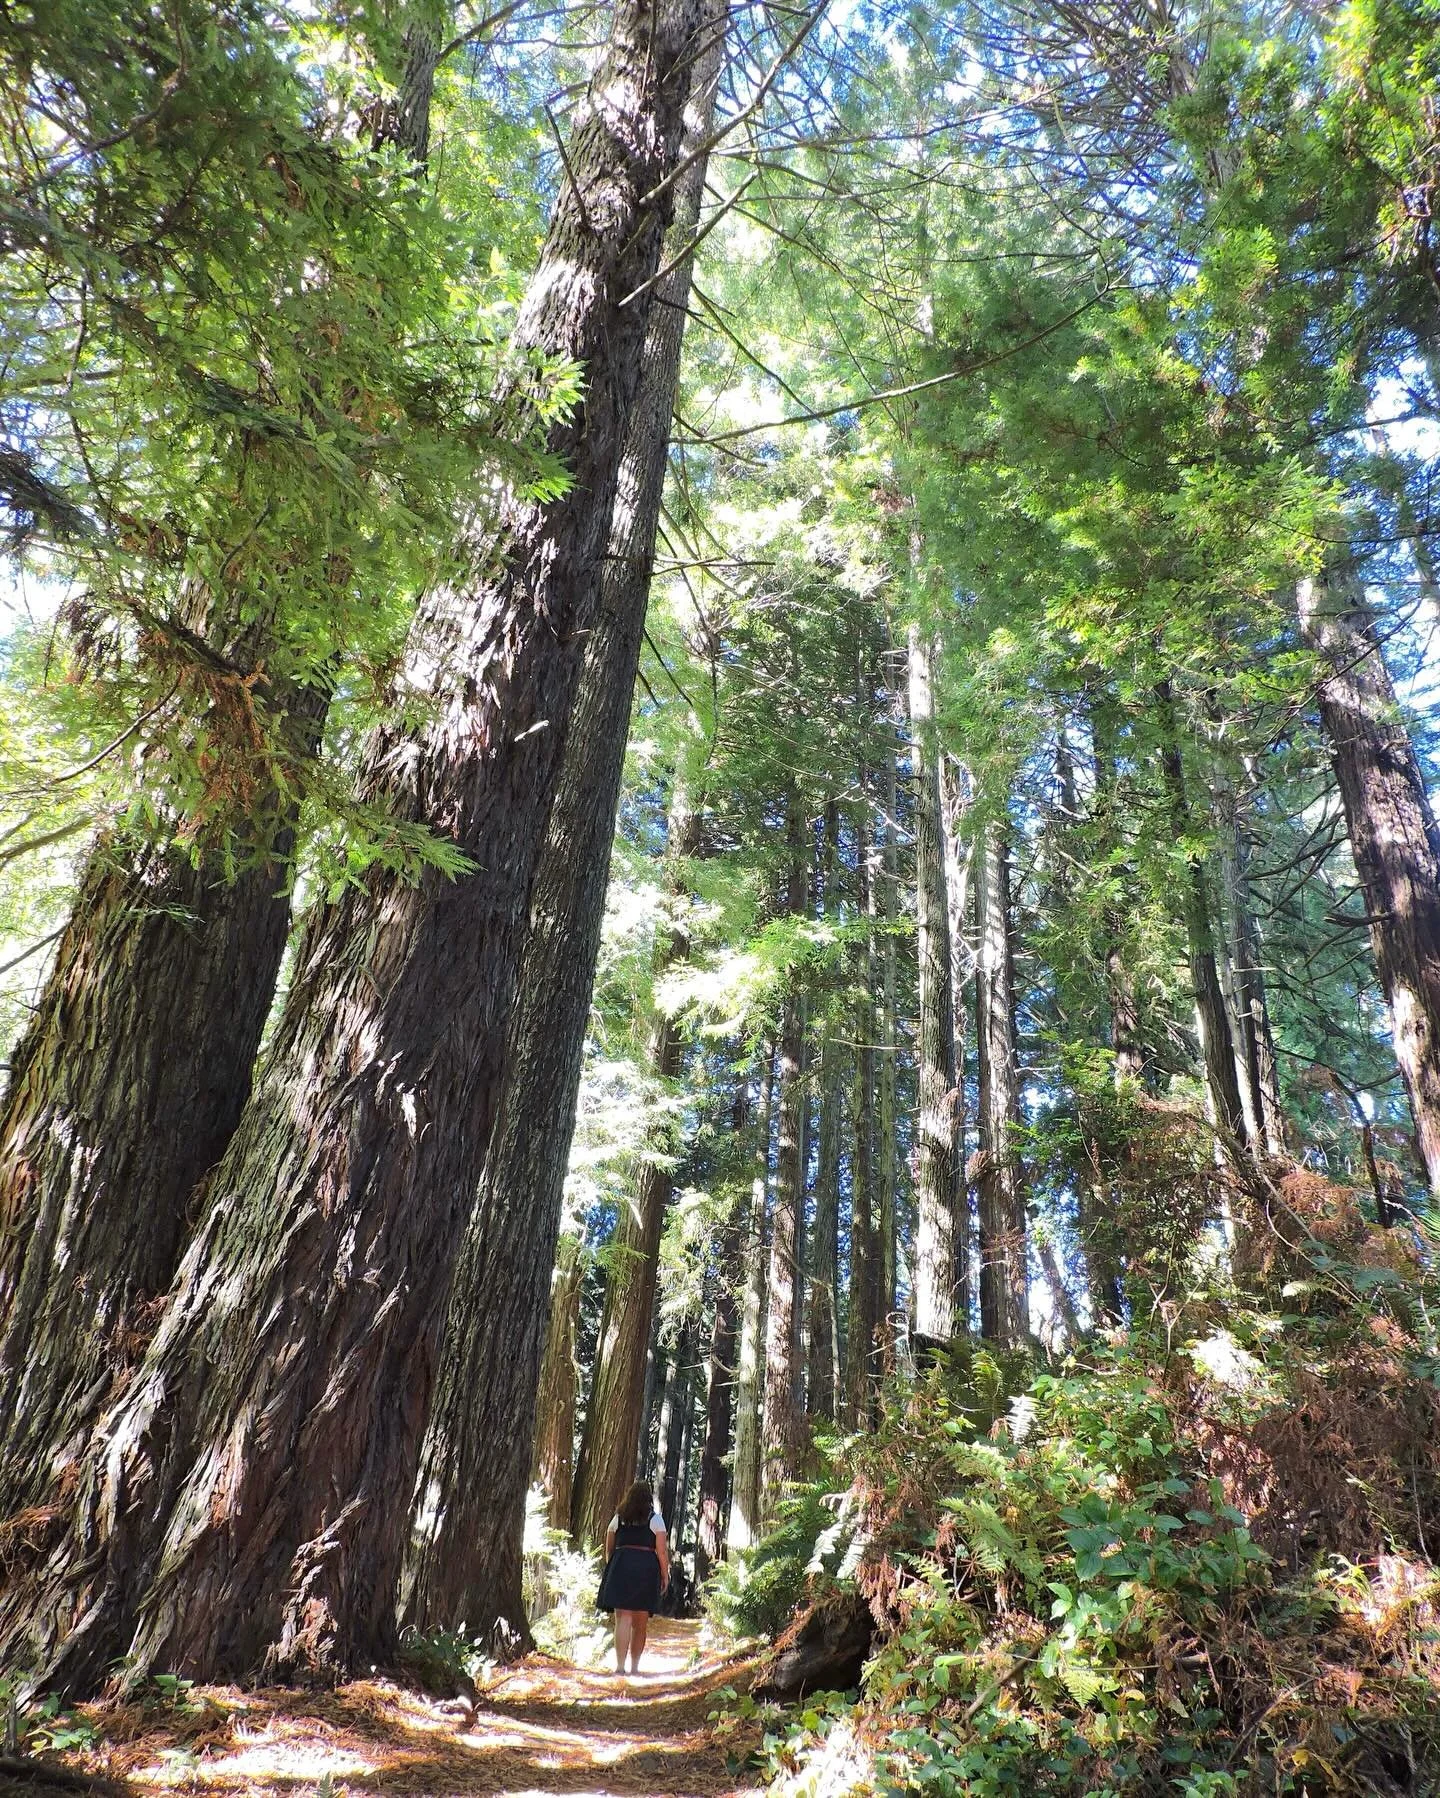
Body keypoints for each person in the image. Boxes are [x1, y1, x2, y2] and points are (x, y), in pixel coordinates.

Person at [596, 1479, 669, 1674]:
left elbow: (609, 1546)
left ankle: (620, 1667)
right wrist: (665, 1574)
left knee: (623, 1619)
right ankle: (634, 1667)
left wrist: (613, 1565)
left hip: (621, 1566)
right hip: (646, 1569)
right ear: (649, 1498)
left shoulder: (618, 1518)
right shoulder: (656, 1520)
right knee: (641, 1622)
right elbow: (661, 1552)